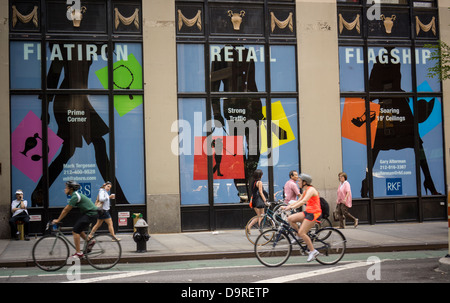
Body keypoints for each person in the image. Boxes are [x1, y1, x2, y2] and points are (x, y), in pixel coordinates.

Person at [52, 181, 98, 258]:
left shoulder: (75, 196)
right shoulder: (75, 195)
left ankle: (78, 253)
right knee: (78, 228)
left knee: (75, 231)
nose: (64, 189)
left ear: (70, 189)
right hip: (89, 213)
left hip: (90, 214)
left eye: (66, 188)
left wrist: (58, 220)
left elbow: (66, 210)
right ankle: (90, 241)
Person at [282, 173, 321, 262]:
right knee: (290, 219)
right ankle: (299, 237)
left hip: (314, 213)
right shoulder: (305, 190)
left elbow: (303, 201)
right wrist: (287, 207)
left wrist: (291, 207)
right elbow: (298, 201)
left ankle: (313, 251)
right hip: (308, 212)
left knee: (302, 232)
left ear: (304, 182)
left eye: (299, 181)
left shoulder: (311, 190)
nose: (298, 182)